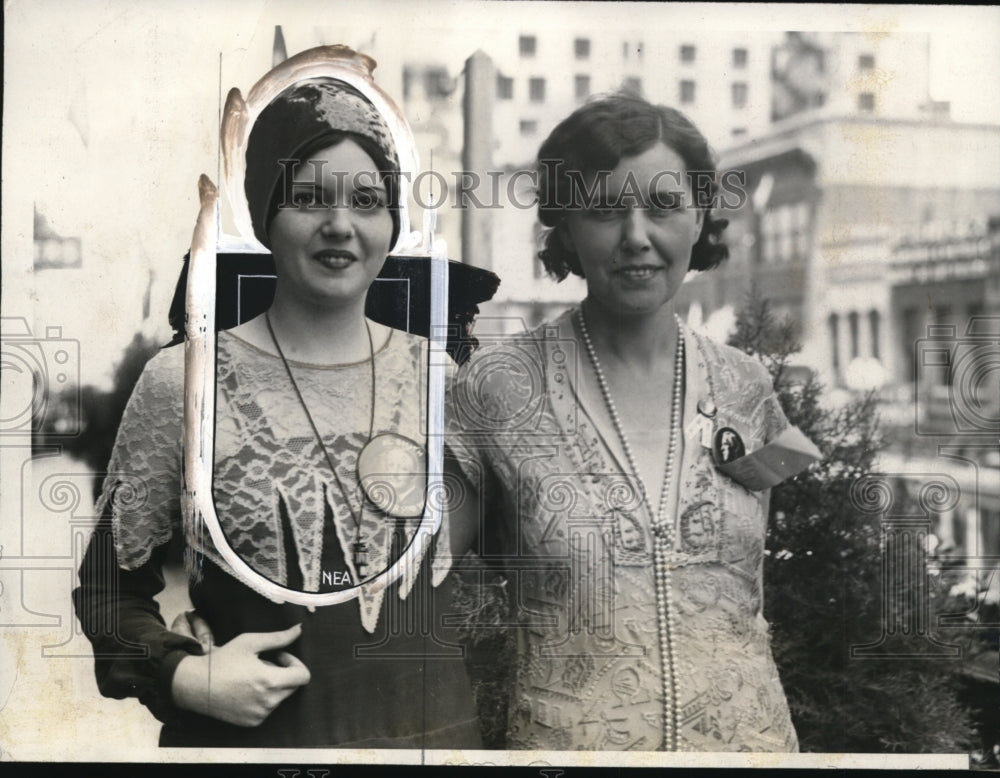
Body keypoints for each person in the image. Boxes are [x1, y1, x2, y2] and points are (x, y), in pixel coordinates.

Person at [72, 48, 481, 748]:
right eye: (309, 197)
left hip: (432, 745)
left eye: (367, 201)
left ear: (393, 222)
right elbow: (110, 592)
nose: (341, 225)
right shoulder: (185, 380)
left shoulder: (451, 382)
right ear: (264, 214)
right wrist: (182, 677)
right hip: (250, 751)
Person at [445, 93, 813, 751]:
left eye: (664, 206)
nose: (636, 236)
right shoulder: (495, 389)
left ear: (700, 216)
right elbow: (408, 577)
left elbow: (752, 589)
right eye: (605, 210)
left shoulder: (748, 386)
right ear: (565, 226)